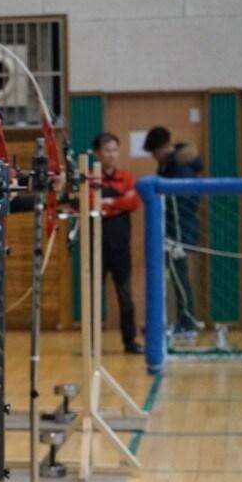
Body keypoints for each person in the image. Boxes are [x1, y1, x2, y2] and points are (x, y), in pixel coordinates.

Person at [142, 126, 203, 336]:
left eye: (154, 152)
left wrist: (176, 237)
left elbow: (186, 202)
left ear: (163, 148)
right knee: (174, 278)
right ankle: (176, 321)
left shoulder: (179, 168)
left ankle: (187, 324)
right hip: (170, 232)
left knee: (180, 278)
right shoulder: (168, 166)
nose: (153, 157)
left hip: (178, 234)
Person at [93, 132, 143, 353]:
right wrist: (117, 203)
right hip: (96, 247)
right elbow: (88, 204)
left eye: (115, 150)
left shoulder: (128, 177)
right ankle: (92, 343)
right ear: (98, 153)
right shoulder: (91, 178)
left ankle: (130, 341)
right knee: (94, 296)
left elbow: (133, 202)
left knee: (126, 297)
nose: (111, 155)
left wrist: (108, 202)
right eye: (107, 150)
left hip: (120, 248)